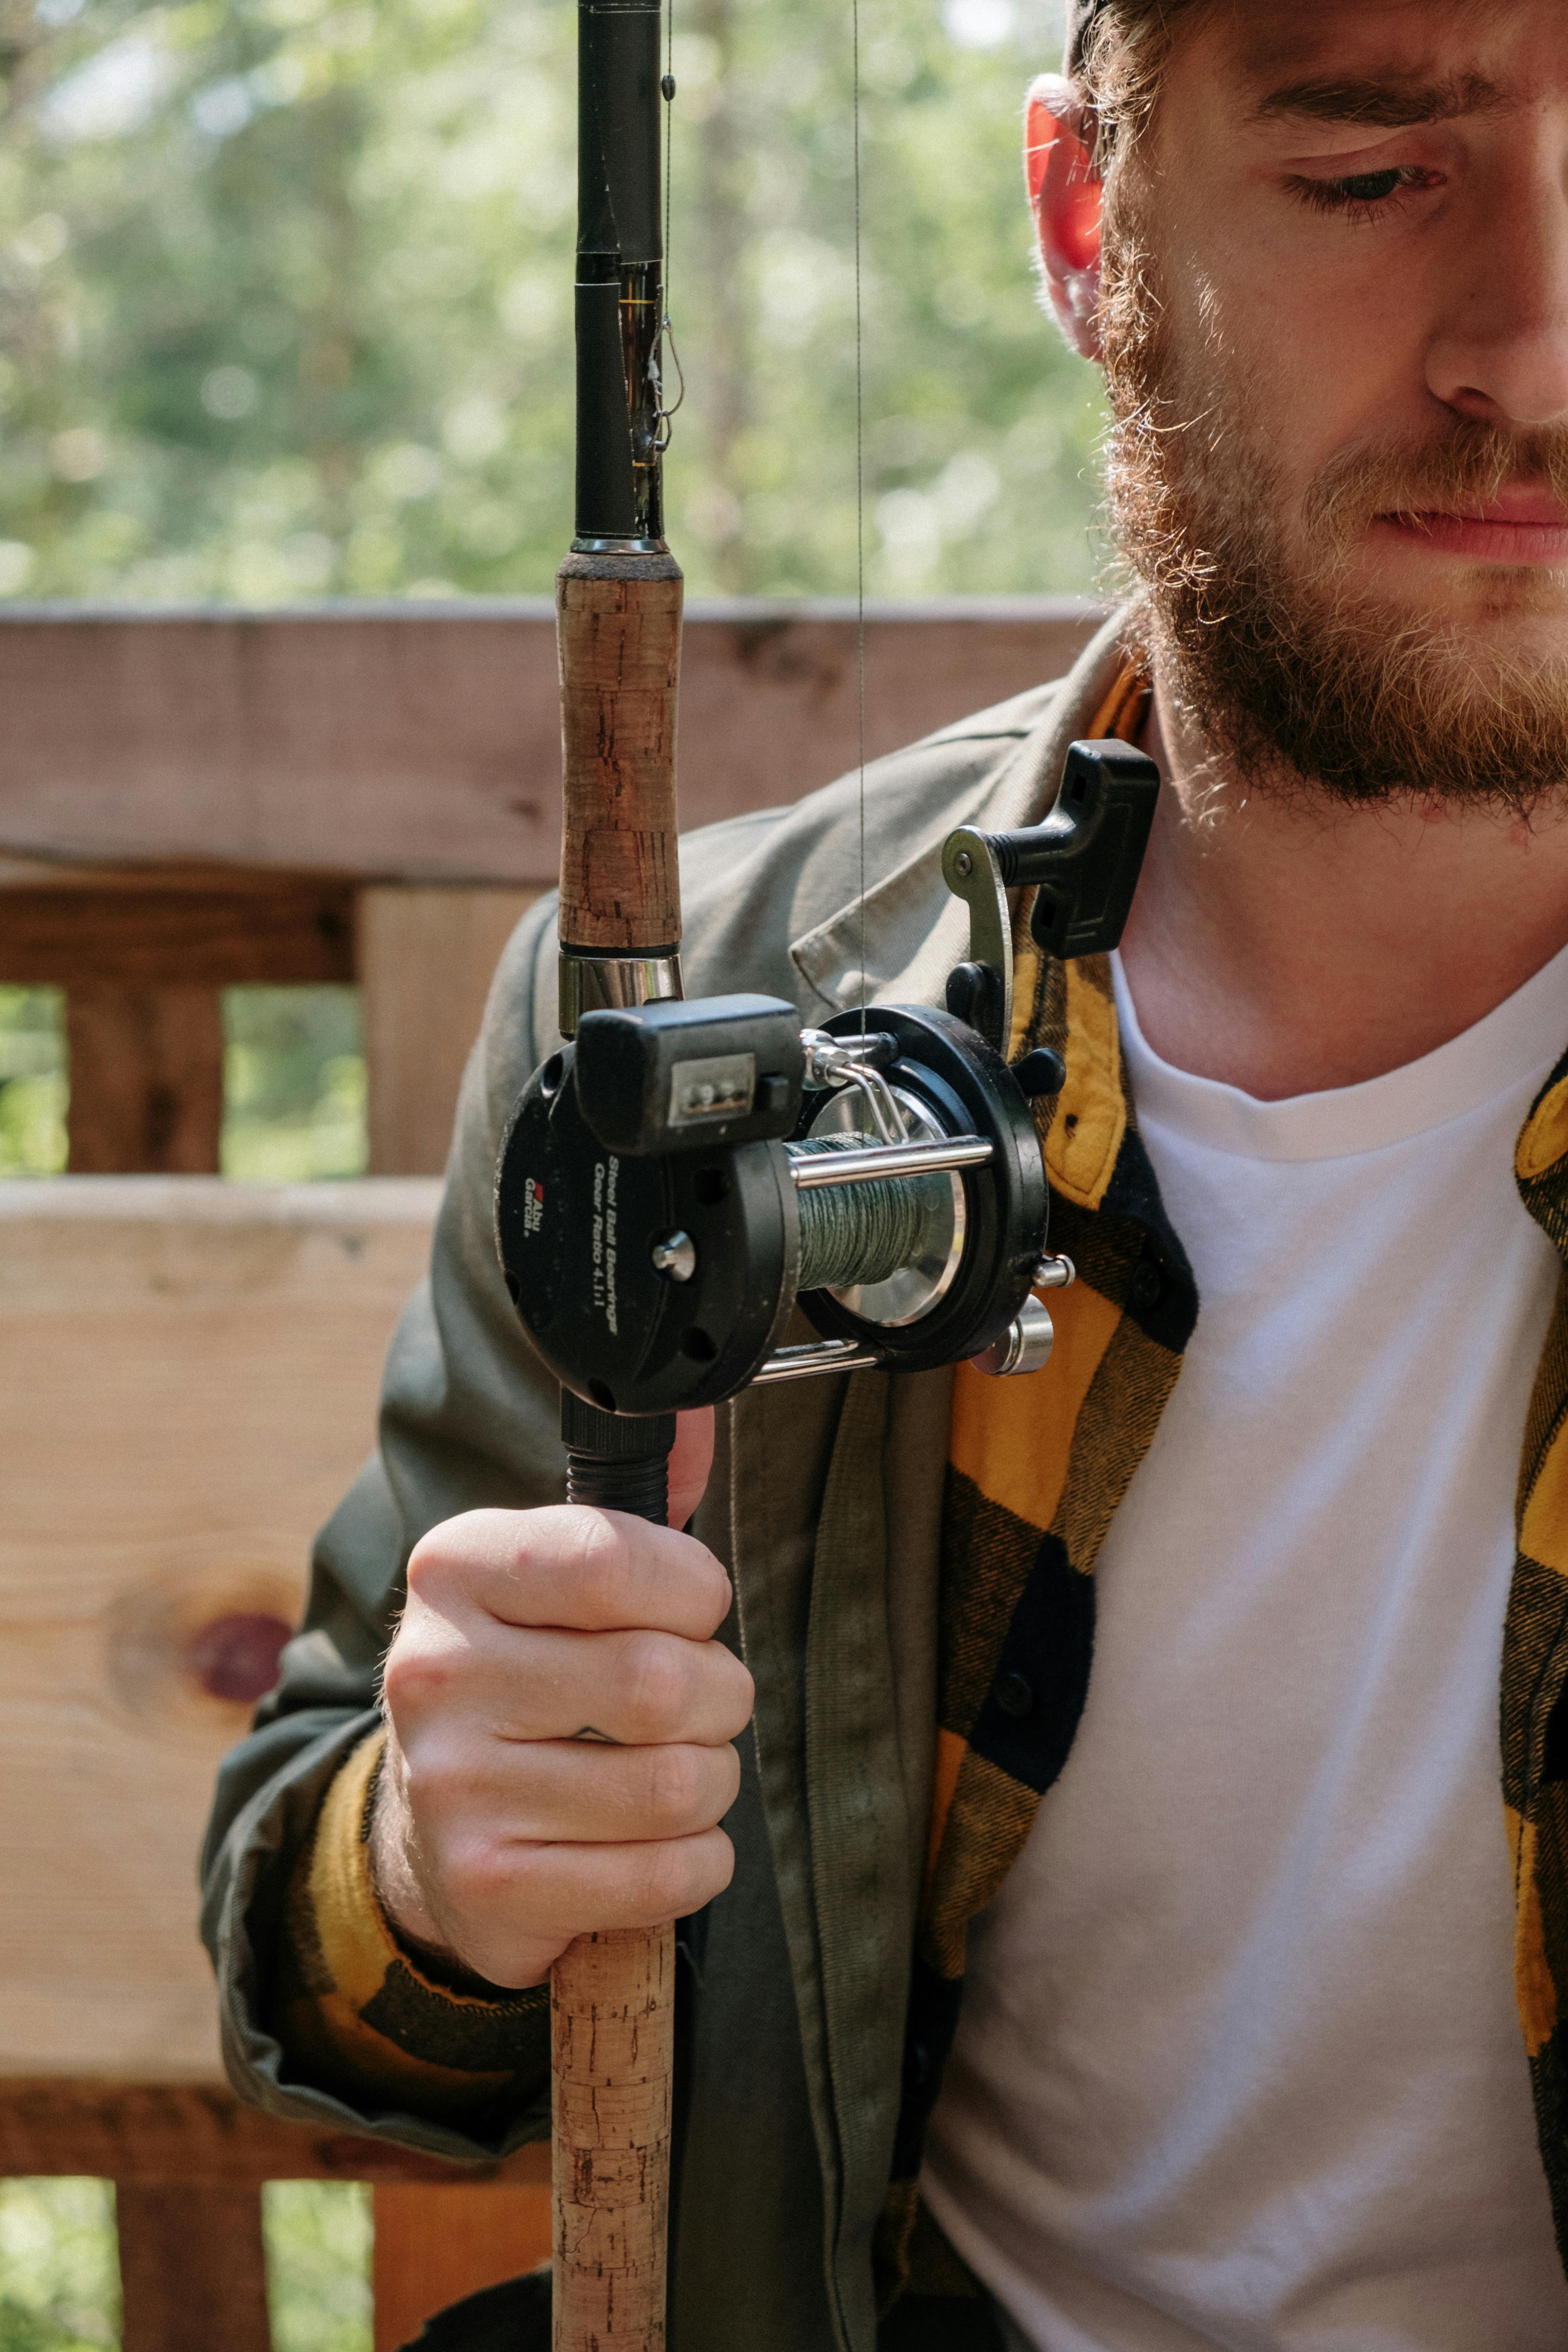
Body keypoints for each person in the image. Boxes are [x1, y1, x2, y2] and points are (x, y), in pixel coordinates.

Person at [202, 2, 1568, 2344]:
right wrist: (439, 1859)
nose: (1532, 346)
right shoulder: (668, 1025)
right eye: (1372, 176)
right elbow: (326, 1975)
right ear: (1084, 220)